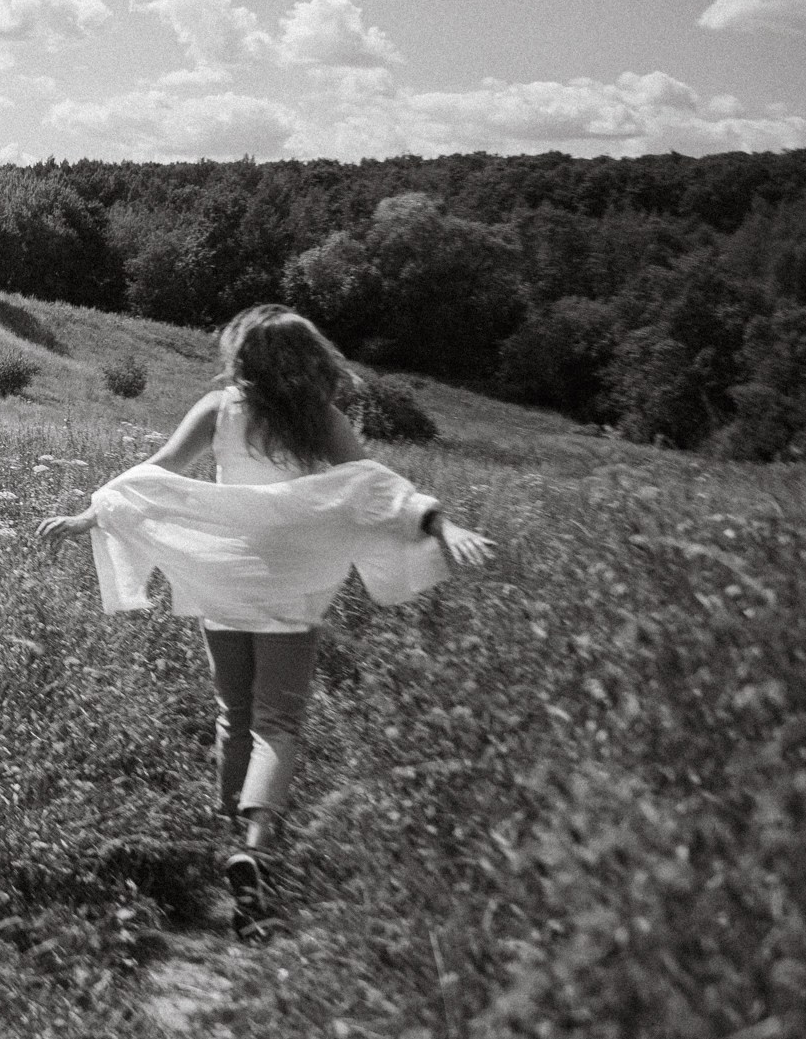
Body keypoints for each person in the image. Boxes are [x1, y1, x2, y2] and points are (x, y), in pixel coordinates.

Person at [37, 304, 492, 938]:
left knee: (235, 711)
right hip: (293, 583)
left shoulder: (220, 409)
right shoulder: (322, 419)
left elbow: (157, 472)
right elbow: (374, 488)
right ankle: (255, 842)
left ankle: (231, 836)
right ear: (311, 360)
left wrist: (94, 515)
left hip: (224, 574)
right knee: (279, 720)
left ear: (240, 356)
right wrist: (441, 523)